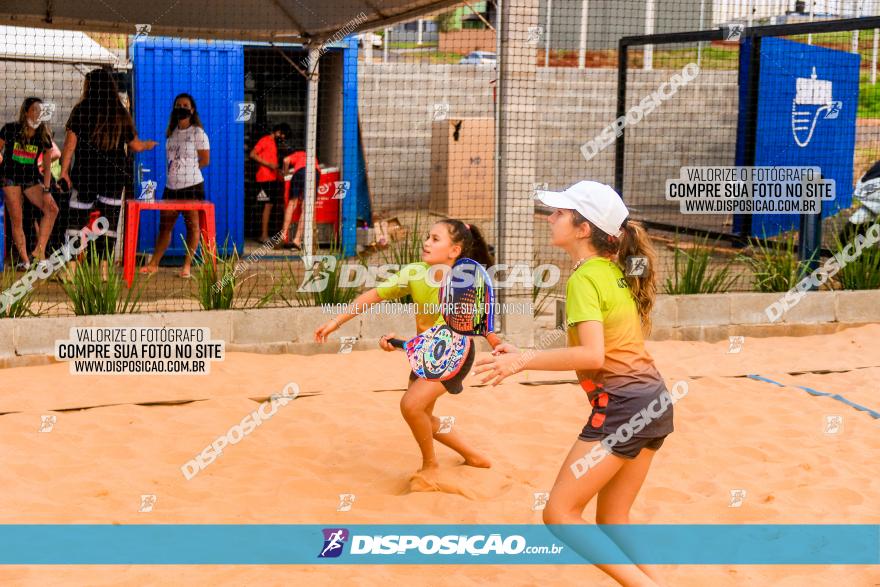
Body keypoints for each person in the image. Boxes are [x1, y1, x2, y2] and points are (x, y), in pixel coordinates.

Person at [474, 181, 673, 587]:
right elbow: (597, 351)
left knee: (559, 514)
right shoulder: (610, 271)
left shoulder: (584, 278)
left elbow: (591, 357)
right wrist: (520, 353)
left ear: (584, 229)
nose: (551, 217)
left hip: (622, 407)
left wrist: (522, 362)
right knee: (614, 520)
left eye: (561, 213)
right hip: (655, 400)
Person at [313, 219, 494, 477]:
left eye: (435, 239)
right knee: (421, 416)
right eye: (427, 237)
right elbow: (374, 295)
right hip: (426, 353)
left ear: (454, 250)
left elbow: (448, 333)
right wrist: (336, 321)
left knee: (410, 406)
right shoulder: (415, 272)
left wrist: (401, 344)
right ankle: (473, 456)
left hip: (455, 353)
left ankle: (430, 466)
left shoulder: (464, 282)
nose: (426, 242)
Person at [60, 68, 157, 267]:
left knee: (76, 221)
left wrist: (63, 172)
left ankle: (71, 271)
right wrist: (148, 144)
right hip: (113, 176)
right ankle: (103, 271)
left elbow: (70, 145)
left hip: (85, 175)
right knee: (108, 223)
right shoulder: (120, 112)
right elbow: (136, 146)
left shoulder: (81, 110)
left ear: (90, 86)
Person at [140, 93, 210, 278]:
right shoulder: (171, 133)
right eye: (178, 104)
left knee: (193, 226)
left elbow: (204, 160)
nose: (181, 107)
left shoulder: (198, 133)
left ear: (192, 109)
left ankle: (186, 267)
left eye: (185, 105)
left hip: (192, 186)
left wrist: (188, 171)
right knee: (165, 226)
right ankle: (154, 264)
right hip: (171, 187)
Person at [0, 97, 59, 270]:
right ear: (26, 112)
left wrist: (47, 190)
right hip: (9, 177)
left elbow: (47, 167)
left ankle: (38, 253)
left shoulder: (43, 135)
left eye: (41, 110)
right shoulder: (10, 129)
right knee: (16, 220)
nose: (38, 113)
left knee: (52, 208)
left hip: (30, 179)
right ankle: (25, 261)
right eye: (34, 110)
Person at [249, 123, 291, 245]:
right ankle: (263, 235)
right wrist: (269, 165)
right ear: (277, 131)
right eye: (282, 135)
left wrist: (280, 173)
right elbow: (252, 154)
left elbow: (273, 164)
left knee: (270, 206)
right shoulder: (265, 140)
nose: (282, 138)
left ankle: (265, 234)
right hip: (264, 178)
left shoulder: (274, 144)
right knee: (267, 206)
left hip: (272, 178)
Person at [278, 147, 320, 250]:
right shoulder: (312, 156)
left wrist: (286, 173)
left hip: (299, 173)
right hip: (313, 172)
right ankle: (297, 240)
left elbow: (285, 160)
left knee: (292, 203)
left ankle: (283, 235)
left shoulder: (296, 154)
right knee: (307, 206)